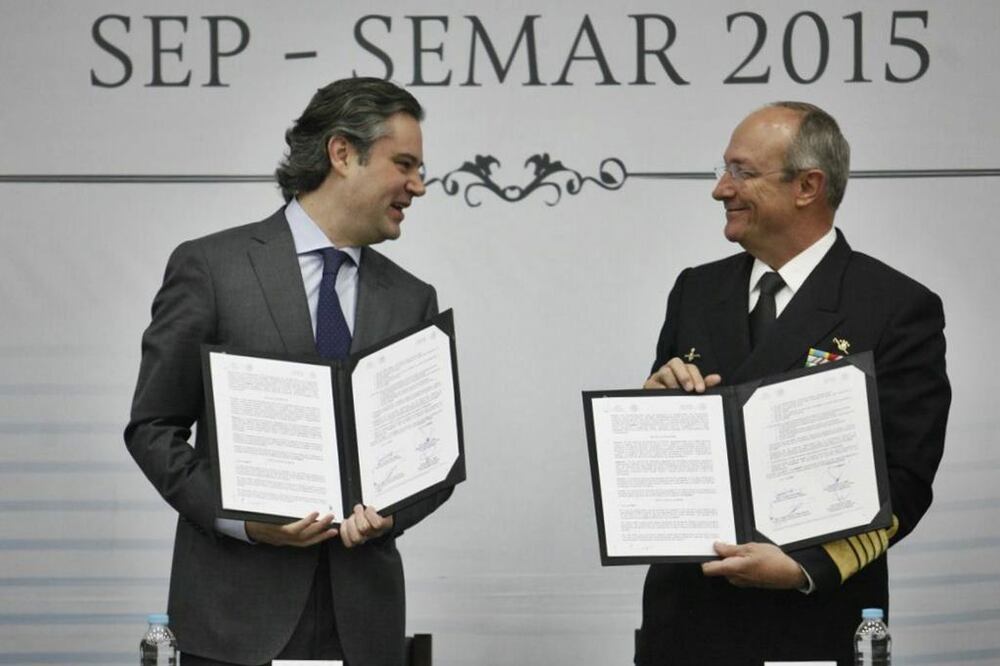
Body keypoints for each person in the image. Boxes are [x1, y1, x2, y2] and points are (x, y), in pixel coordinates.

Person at [125, 77, 451, 666]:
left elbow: (436, 461)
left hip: (364, 626)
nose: (418, 186)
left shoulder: (412, 299)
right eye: (404, 164)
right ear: (342, 153)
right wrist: (244, 523)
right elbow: (153, 428)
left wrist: (390, 514)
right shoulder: (212, 267)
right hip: (231, 623)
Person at [635, 102, 950, 665]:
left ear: (808, 185)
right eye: (724, 170)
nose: (720, 190)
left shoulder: (895, 307)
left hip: (810, 622)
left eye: (742, 172)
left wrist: (808, 566)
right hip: (685, 622)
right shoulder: (696, 291)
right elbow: (668, 464)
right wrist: (652, 413)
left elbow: (905, 477)